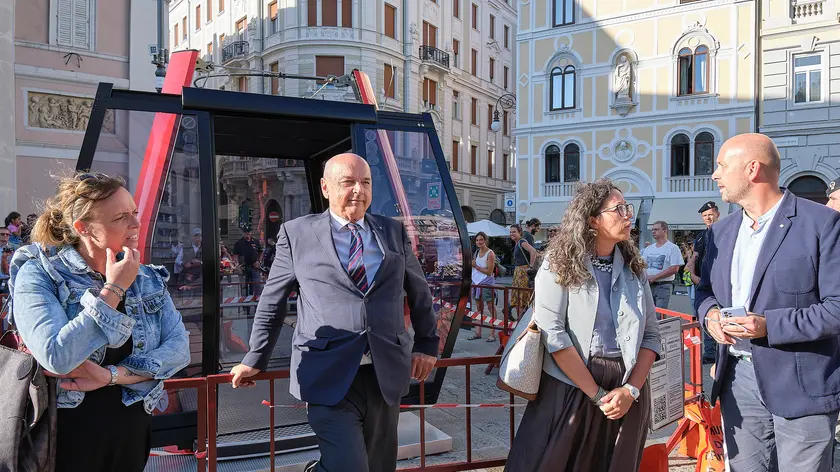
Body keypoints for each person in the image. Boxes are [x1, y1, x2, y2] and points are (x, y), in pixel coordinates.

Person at [229, 153, 439, 472]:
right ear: (325, 188)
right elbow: (272, 300)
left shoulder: (392, 232)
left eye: (365, 182)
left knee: (379, 466)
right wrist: (254, 357)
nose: (358, 190)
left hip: (385, 372)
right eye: (348, 182)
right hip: (326, 372)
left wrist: (426, 344)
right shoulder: (297, 234)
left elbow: (418, 289)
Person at [7, 172, 190, 472]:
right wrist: (113, 290)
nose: (135, 224)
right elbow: (57, 356)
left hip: (131, 437)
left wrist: (112, 376)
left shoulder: (146, 277)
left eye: (135, 213)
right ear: (84, 228)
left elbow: (180, 350)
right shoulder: (40, 273)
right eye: (121, 217)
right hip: (61, 442)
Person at [696, 134, 840, 472]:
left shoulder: (822, 224)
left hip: (803, 384)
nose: (715, 175)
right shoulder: (720, 233)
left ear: (751, 169)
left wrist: (767, 326)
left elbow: (836, 307)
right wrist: (711, 315)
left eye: (721, 165)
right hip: (737, 382)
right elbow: (704, 292)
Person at [505, 179, 660, 472]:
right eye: (619, 209)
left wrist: (631, 390)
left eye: (628, 208)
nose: (629, 215)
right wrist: (597, 395)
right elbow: (554, 335)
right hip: (571, 386)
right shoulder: (559, 263)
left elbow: (651, 335)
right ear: (592, 220)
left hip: (626, 391)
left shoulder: (633, 267)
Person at [686, 200, 721, 364]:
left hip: (721, 283)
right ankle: (709, 353)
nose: (708, 218)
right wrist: (693, 275)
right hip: (703, 283)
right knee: (706, 316)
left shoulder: (726, 232)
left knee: (723, 316)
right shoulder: (701, 237)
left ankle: (723, 353)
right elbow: (693, 258)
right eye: (705, 216)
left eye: (710, 214)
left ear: (718, 214)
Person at [641, 221, 683, 309]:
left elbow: (674, 268)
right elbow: (642, 265)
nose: (653, 232)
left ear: (665, 231)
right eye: (652, 230)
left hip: (663, 285)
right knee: (648, 313)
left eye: (656, 229)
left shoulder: (673, 248)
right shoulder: (649, 249)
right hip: (648, 285)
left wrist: (655, 277)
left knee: (660, 314)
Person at [468, 232, 497, 342]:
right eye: (477, 240)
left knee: (490, 308)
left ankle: (492, 333)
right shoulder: (477, 252)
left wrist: (476, 266)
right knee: (479, 308)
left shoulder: (490, 254)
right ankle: (478, 332)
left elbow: (489, 272)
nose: (479, 242)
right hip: (477, 283)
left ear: (485, 240)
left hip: (486, 283)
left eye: (481, 240)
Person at [508, 224, 538, 320]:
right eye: (510, 232)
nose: (511, 234)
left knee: (521, 300)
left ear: (520, 232)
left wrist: (530, 267)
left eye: (514, 232)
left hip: (522, 273)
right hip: (519, 272)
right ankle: (520, 321)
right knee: (518, 300)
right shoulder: (517, 243)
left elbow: (533, 251)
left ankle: (521, 322)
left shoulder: (522, 242)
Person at [233, 229, 262, 295]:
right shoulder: (238, 243)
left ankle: (257, 302)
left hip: (254, 267)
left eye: (248, 233)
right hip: (243, 267)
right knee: (243, 286)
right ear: (243, 234)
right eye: (246, 233)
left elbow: (261, 252)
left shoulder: (255, 241)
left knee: (257, 285)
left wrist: (259, 261)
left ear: (251, 233)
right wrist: (237, 266)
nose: (247, 234)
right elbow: (235, 256)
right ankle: (245, 304)